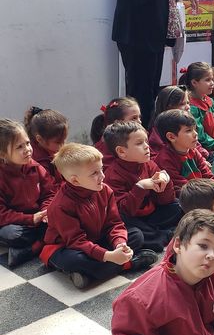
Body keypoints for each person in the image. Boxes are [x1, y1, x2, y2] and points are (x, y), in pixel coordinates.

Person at [41, 143, 157, 288]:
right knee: (76, 260)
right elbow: (77, 241)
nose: (102, 175)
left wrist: (120, 243)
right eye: (94, 173)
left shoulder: (105, 190)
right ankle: (128, 264)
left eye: (101, 169)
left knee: (136, 235)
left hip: (96, 239)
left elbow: (115, 224)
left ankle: (91, 273)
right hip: (67, 247)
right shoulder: (60, 206)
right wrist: (108, 255)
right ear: (75, 180)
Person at [103, 120, 182, 251]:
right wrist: (140, 187)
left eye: (146, 141)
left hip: (151, 217)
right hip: (133, 221)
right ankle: (162, 236)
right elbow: (124, 212)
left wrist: (165, 181)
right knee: (134, 233)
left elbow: (166, 201)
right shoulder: (112, 176)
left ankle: (159, 236)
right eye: (139, 143)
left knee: (177, 206)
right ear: (121, 151)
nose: (147, 147)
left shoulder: (149, 164)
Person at [0, 119, 56, 268]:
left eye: (27, 143)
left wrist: (46, 211)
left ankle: (29, 249)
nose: (27, 149)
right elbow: (1, 214)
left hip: (37, 217)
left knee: (59, 220)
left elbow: (49, 194)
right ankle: (39, 245)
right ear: (2, 153)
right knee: (13, 234)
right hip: (14, 223)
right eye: (19, 147)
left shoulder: (35, 167)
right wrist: (30, 219)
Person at [153, 109, 214, 190]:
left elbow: (208, 175)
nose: (196, 134)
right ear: (171, 137)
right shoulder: (165, 160)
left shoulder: (193, 151)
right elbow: (183, 189)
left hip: (203, 190)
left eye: (195, 129)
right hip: (190, 194)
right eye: (189, 130)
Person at [180, 62, 214, 155]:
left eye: (212, 79)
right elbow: (201, 136)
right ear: (194, 83)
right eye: (207, 80)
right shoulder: (192, 107)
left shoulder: (210, 101)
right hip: (203, 151)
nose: (212, 83)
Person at [91, 97, 142, 168]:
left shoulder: (138, 138)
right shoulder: (102, 152)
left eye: (139, 117)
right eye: (134, 118)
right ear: (117, 123)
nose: (139, 122)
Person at [24, 106, 68, 186]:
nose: (63, 145)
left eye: (64, 140)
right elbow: (52, 188)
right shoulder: (38, 163)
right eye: (58, 142)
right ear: (40, 139)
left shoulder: (52, 149)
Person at [147, 85, 190, 154]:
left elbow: (196, 146)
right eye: (182, 104)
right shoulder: (157, 133)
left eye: (188, 103)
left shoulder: (187, 122)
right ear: (168, 107)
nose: (188, 107)